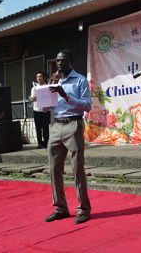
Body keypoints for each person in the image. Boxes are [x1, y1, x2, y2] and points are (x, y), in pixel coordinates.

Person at [44, 49, 92, 224]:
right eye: (57, 61)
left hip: (73, 124)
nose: (59, 64)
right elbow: (45, 108)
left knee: (77, 168)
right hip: (56, 125)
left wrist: (65, 95)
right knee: (54, 169)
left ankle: (84, 209)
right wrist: (42, 97)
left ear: (71, 62)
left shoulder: (80, 80)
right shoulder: (53, 81)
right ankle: (60, 208)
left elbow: (87, 106)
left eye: (63, 61)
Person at [31, 71, 50, 149]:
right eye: (37, 77)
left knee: (46, 128)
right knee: (38, 128)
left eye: (40, 76)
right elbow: (33, 99)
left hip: (46, 110)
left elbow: (50, 97)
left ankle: (46, 143)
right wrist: (38, 92)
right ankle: (39, 144)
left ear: (44, 78)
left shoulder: (47, 86)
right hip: (37, 110)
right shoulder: (34, 88)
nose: (38, 78)